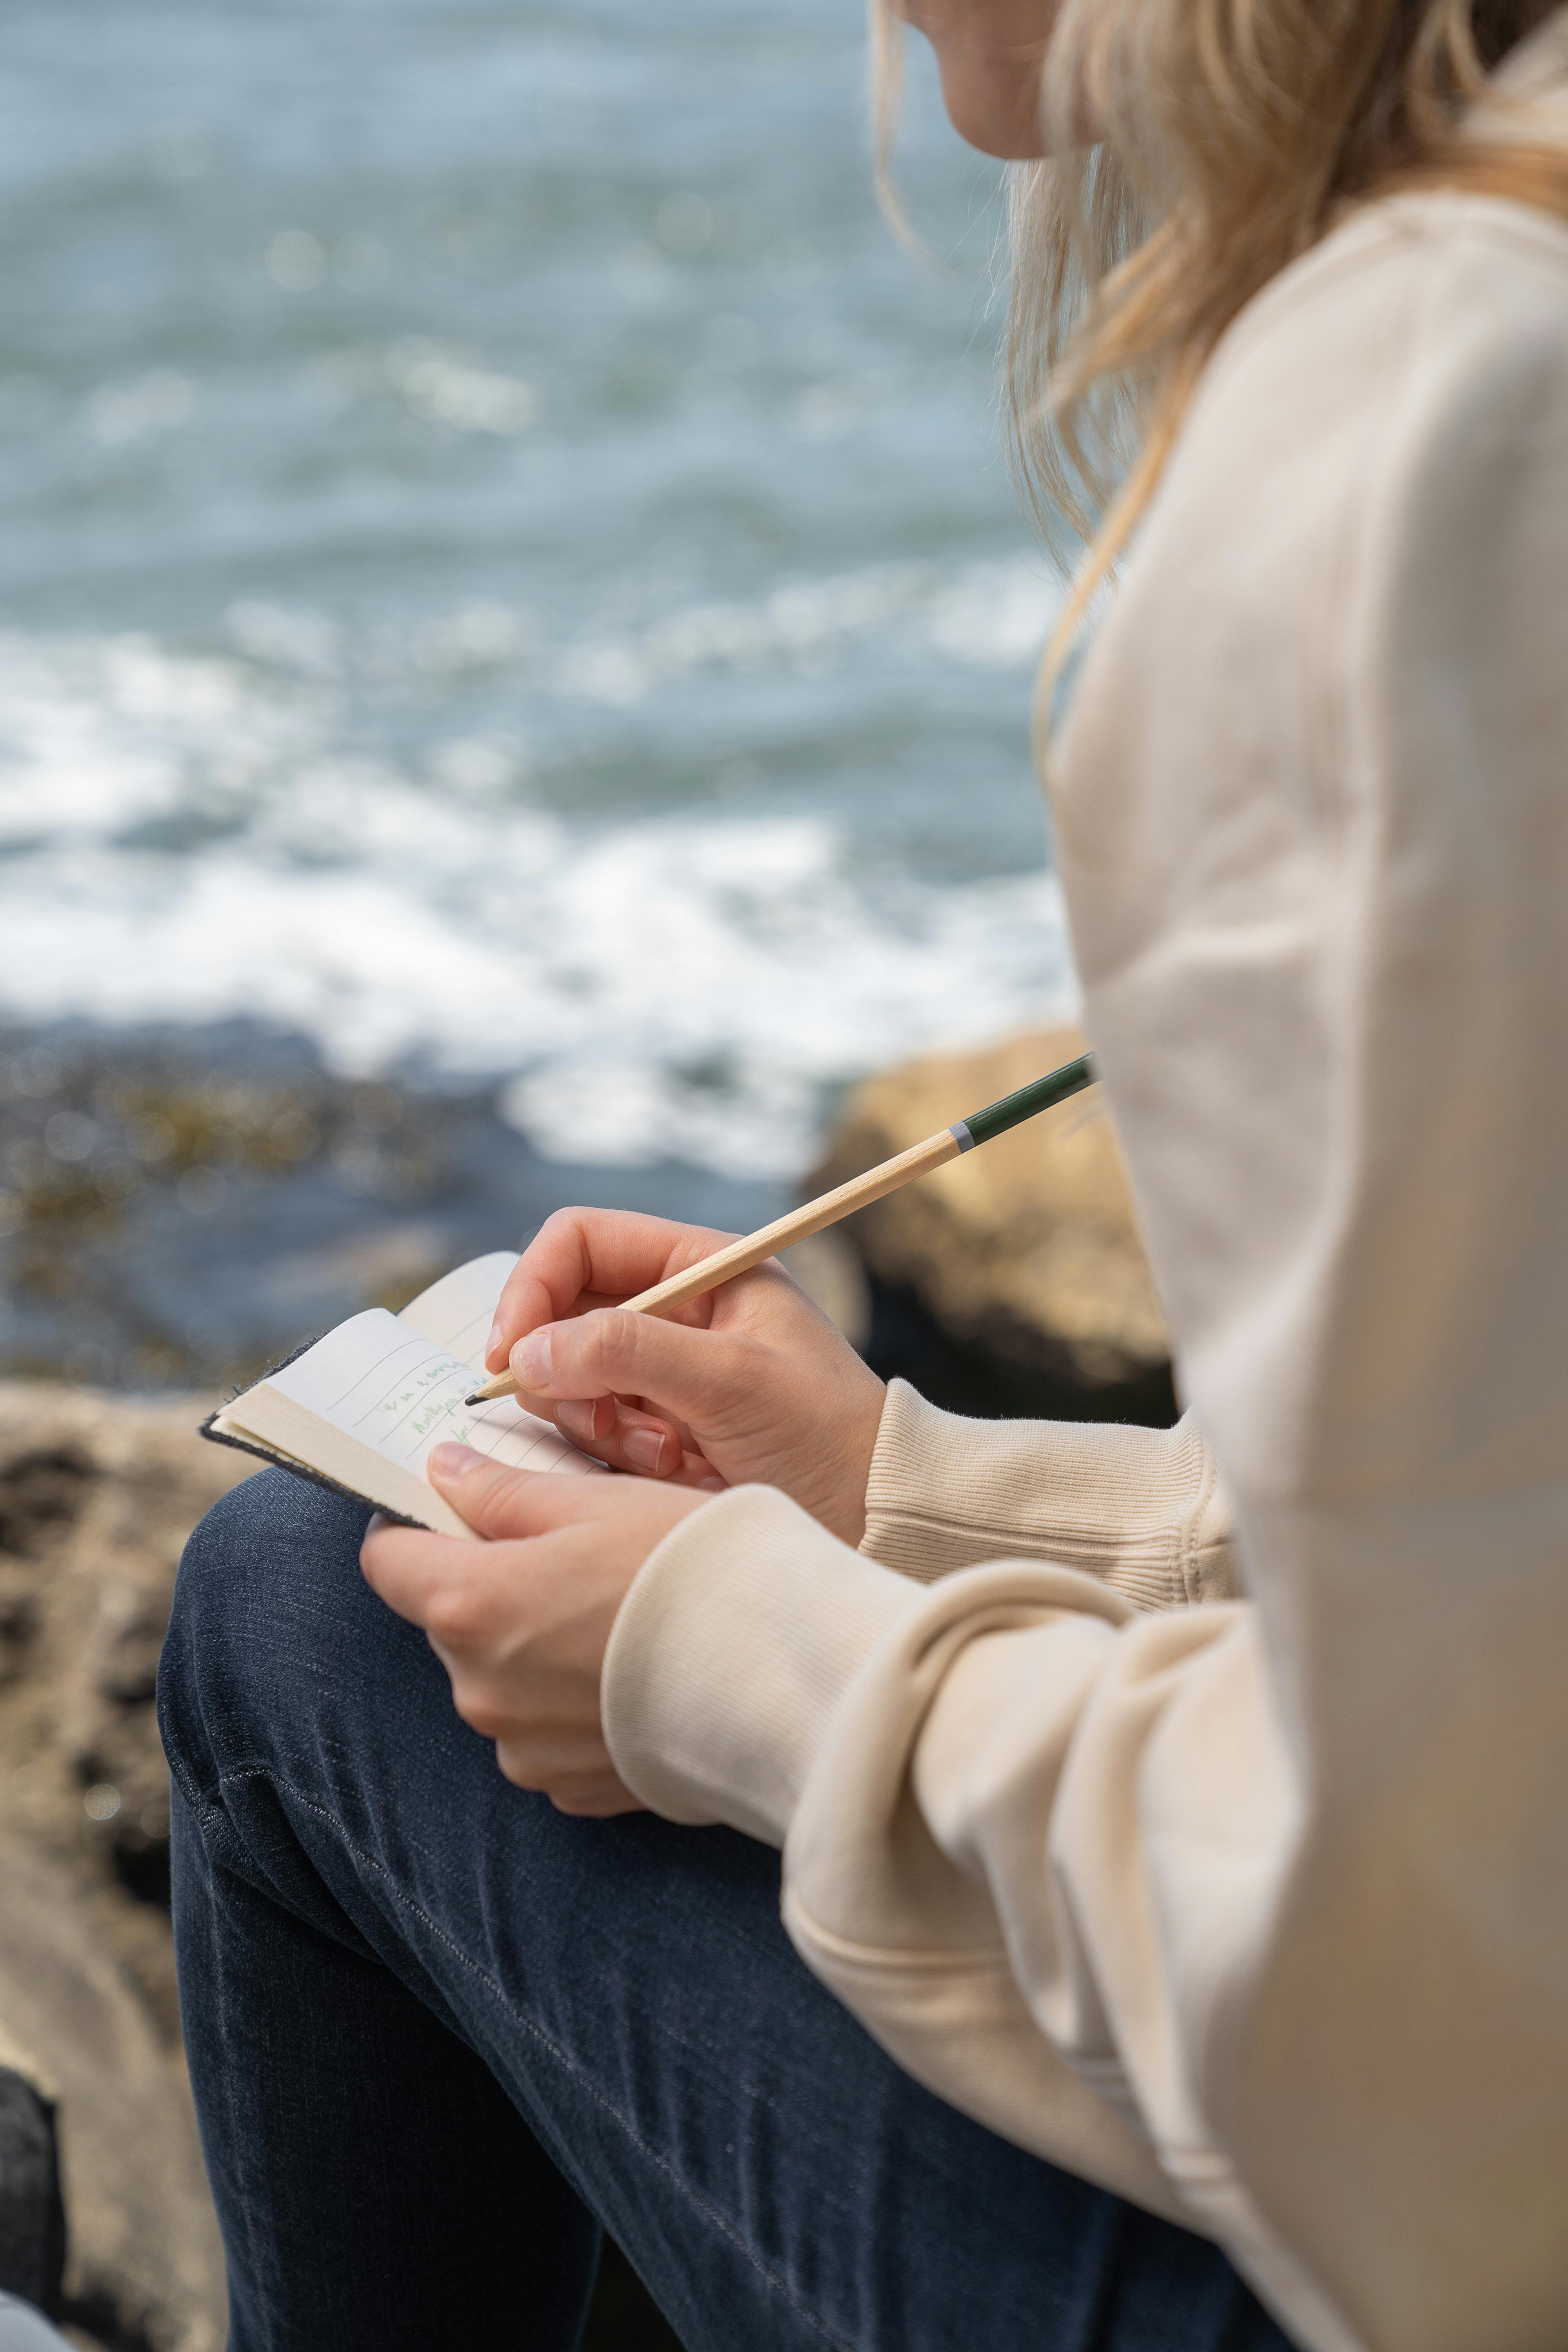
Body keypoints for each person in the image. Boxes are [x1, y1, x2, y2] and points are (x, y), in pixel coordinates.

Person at [159, 4, 1568, 2348]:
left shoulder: (1407, 441)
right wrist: (906, 1506)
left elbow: (1426, 2094)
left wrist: (724, 1653)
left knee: (310, 1609)